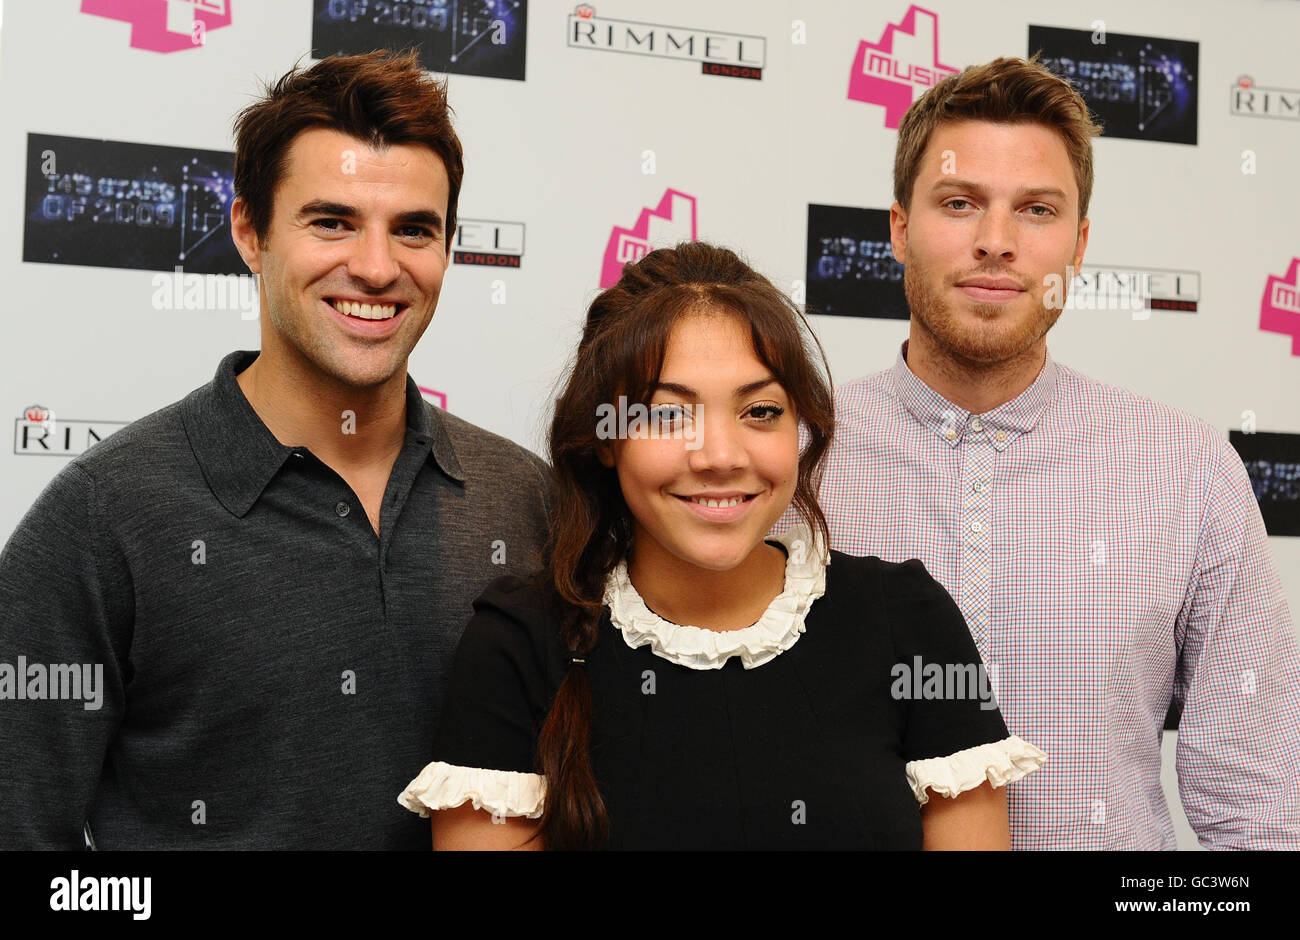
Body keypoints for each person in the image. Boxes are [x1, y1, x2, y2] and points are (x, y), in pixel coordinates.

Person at [0, 50, 551, 849]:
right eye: (331, 221)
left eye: (413, 230)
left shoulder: (523, 498)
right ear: (250, 233)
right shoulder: (102, 519)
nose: (374, 267)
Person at [776, 56, 1300, 849]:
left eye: (1037, 210)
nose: (996, 242)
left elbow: (1260, 815)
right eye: (959, 203)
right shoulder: (789, 462)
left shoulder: (1187, 472)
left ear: (1080, 244)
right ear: (897, 228)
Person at [398, 242, 1046, 850]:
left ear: (802, 425)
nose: (719, 457)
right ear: (604, 436)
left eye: (760, 411)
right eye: (667, 413)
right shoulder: (517, 644)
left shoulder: (910, 620)